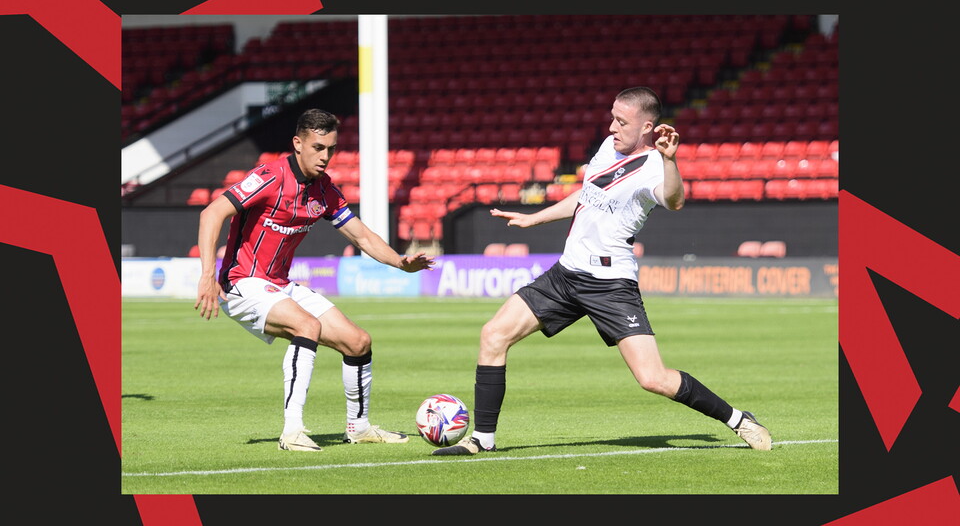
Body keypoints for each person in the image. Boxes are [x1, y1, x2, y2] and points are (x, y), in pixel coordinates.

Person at [432, 87, 772, 455]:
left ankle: (739, 420)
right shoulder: (607, 148)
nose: (611, 126)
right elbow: (585, 194)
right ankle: (483, 439)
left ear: (646, 127)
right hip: (566, 274)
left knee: (653, 378)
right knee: (494, 335)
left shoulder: (656, 166)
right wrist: (535, 219)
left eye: (621, 121)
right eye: (612, 117)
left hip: (610, 284)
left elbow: (675, 201)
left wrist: (672, 161)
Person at [195, 108, 435, 452]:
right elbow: (212, 212)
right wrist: (207, 275)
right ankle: (292, 431)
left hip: (278, 282)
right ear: (298, 143)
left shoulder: (324, 190)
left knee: (358, 342)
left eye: (331, 149)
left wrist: (400, 262)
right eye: (318, 148)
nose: (325, 157)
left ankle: (359, 427)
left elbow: (362, 237)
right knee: (307, 326)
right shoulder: (269, 176)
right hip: (241, 282)